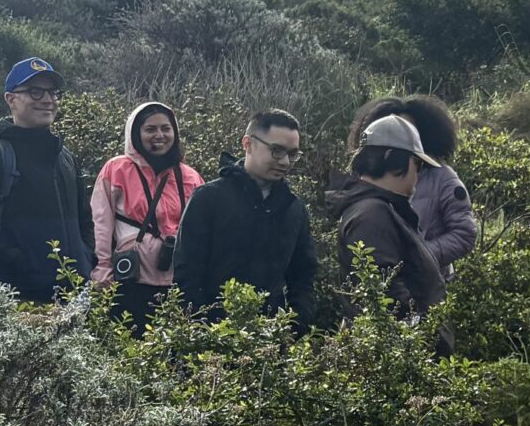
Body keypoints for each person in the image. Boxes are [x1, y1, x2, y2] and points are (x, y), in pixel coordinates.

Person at [0, 57, 95, 303]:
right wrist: (19, 260)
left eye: (52, 92)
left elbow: (85, 217)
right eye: (35, 92)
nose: (48, 100)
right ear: (11, 99)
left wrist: (86, 256)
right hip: (16, 298)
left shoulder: (66, 157)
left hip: (73, 296)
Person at [172, 109, 317, 324]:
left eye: (292, 154)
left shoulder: (294, 208)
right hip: (209, 343)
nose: (285, 161)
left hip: (271, 344)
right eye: (276, 150)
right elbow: (187, 274)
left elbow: (303, 278)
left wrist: (295, 326)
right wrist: (202, 331)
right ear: (247, 143)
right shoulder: (208, 199)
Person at [332, 114, 452, 354]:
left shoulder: (380, 209)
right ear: (390, 158)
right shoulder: (371, 215)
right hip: (403, 362)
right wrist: (425, 343)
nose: (417, 175)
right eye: (415, 165)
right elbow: (387, 298)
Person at [89, 102, 205, 332]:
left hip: (176, 282)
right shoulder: (116, 169)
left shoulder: (190, 177)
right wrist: (102, 269)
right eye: (150, 129)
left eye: (166, 128)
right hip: (129, 281)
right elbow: (100, 223)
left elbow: (202, 231)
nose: (159, 135)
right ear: (136, 133)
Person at [349, 94, 477, 274]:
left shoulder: (443, 178)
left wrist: (419, 256)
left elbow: (464, 234)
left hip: (428, 283)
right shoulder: (370, 175)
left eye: (409, 130)